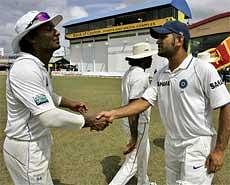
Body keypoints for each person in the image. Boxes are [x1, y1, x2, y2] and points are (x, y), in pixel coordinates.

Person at [97, 20, 230, 185]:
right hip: (172, 144)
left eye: (163, 37)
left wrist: (219, 150)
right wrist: (113, 113)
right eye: (157, 37)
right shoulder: (161, 74)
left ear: (179, 40)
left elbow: (225, 105)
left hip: (196, 145)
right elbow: (144, 101)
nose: (158, 41)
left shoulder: (202, 69)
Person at [3, 11, 107, 185]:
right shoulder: (26, 68)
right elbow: (48, 116)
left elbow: (45, 95)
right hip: (26, 146)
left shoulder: (38, 67)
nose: (57, 32)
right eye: (49, 29)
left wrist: (68, 103)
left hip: (34, 146)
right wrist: (88, 121)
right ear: (31, 38)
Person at [109, 42, 156, 185]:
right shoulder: (140, 77)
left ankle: (143, 182)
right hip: (137, 124)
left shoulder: (129, 73)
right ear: (142, 59)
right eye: (148, 57)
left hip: (130, 123)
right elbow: (133, 108)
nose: (151, 60)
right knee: (132, 164)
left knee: (145, 150)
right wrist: (134, 136)